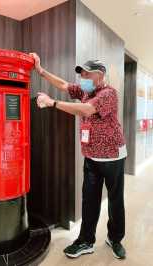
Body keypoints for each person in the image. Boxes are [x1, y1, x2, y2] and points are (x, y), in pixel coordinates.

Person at [30, 53, 127, 260]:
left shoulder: (109, 93)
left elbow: (87, 110)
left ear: (100, 75)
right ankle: (86, 241)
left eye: (86, 74)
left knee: (115, 200)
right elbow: (64, 85)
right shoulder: (85, 91)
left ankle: (115, 238)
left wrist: (51, 103)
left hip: (112, 157)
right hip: (91, 157)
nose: (82, 78)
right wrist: (41, 70)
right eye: (81, 74)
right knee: (89, 201)